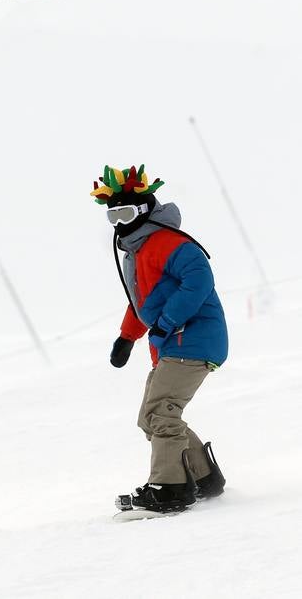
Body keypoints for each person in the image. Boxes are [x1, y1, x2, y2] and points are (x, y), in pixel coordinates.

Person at [90, 164, 228, 513]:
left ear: (144, 211)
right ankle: (203, 476)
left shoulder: (167, 243)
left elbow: (199, 279)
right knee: (151, 417)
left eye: (124, 213)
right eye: (112, 216)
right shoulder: (139, 253)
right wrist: (126, 337)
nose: (119, 223)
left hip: (192, 340)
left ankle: (169, 487)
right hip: (174, 343)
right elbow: (141, 303)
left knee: (160, 412)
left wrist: (168, 321)